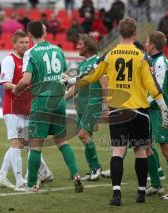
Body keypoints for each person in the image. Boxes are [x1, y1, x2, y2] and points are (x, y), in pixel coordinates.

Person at [76, 18, 168, 206]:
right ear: (135, 33)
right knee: (140, 151)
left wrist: (72, 82)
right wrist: (164, 111)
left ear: (119, 32)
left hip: (118, 112)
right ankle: (141, 192)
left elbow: (93, 76)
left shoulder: (109, 55)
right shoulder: (142, 56)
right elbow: (153, 87)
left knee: (117, 152)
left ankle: (116, 194)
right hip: (139, 111)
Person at [13, 21, 83, 192]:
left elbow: (27, 79)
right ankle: (76, 174)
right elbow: (64, 77)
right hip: (59, 101)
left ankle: (30, 185)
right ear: (45, 33)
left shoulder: (30, 53)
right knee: (62, 141)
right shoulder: (58, 50)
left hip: (42, 101)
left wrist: (16, 89)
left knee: (35, 143)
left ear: (29, 36)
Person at [0, 29, 52, 191]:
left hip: (26, 108)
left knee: (22, 143)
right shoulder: (9, 60)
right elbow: (5, 83)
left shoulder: (30, 59)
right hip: (12, 108)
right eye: (21, 42)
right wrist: (20, 88)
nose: (25, 45)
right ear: (14, 43)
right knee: (17, 142)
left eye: (27, 42)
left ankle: (2, 176)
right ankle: (20, 181)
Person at [65, 34, 107, 181]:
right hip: (82, 106)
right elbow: (76, 88)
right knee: (85, 136)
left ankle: (96, 167)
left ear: (88, 46)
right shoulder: (82, 65)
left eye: (80, 44)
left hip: (93, 104)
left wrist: (106, 105)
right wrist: (61, 99)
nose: (77, 46)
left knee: (83, 134)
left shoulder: (99, 62)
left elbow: (104, 84)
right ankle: (92, 169)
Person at [145, 31, 168, 200]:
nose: (145, 44)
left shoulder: (160, 63)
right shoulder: (154, 60)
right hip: (153, 111)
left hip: (162, 112)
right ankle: (155, 184)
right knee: (146, 145)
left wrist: (141, 102)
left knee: (167, 150)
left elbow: (156, 90)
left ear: (152, 45)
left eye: (146, 42)